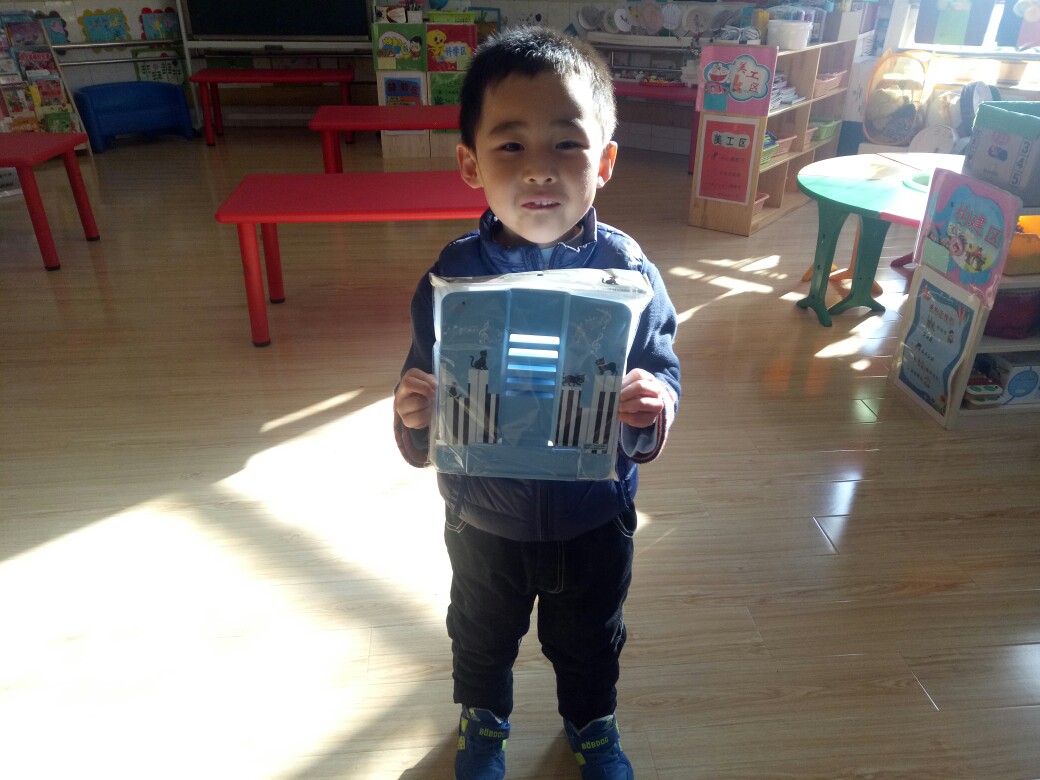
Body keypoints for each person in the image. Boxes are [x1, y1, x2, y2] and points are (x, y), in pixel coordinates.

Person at [392, 26, 681, 780]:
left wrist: (653, 405)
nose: (539, 170)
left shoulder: (629, 271)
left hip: (594, 515)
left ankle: (592, 725)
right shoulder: (454, 276)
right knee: (480, 634)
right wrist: (413, 416)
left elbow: (660, 364)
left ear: (605, 161)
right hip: (484, 517)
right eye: (511, 145)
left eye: (567, 144)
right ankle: (483, 722)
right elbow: (424, 376)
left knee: (590, 638)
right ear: (470, 163)